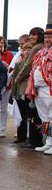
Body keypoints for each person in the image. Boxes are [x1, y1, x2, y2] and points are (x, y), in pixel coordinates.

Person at [12, 27, 45, 148]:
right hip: (35, 85)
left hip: (34, 86)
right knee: (36, 115)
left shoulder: (37, 48)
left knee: (34, 115)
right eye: (30, 35)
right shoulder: (41, 47)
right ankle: (35, 139)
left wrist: (18, 78)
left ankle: (35, 140)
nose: (31, 37)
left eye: (34, 35)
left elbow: (27, 65)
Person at [26, 24, 52, 155]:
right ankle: (48, 142)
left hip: (49, 88)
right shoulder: (41, 52)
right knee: (45, 118)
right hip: (38, 90)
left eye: (50, 37)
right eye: (46, 37)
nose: (47, 39)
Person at [0, 36, 14, 138]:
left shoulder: (9, 54)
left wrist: (7, 65)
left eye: (3, 43)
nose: (1, 45)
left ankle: (2, 129)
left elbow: (13, 68)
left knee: (4, 107)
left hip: (7, 84)